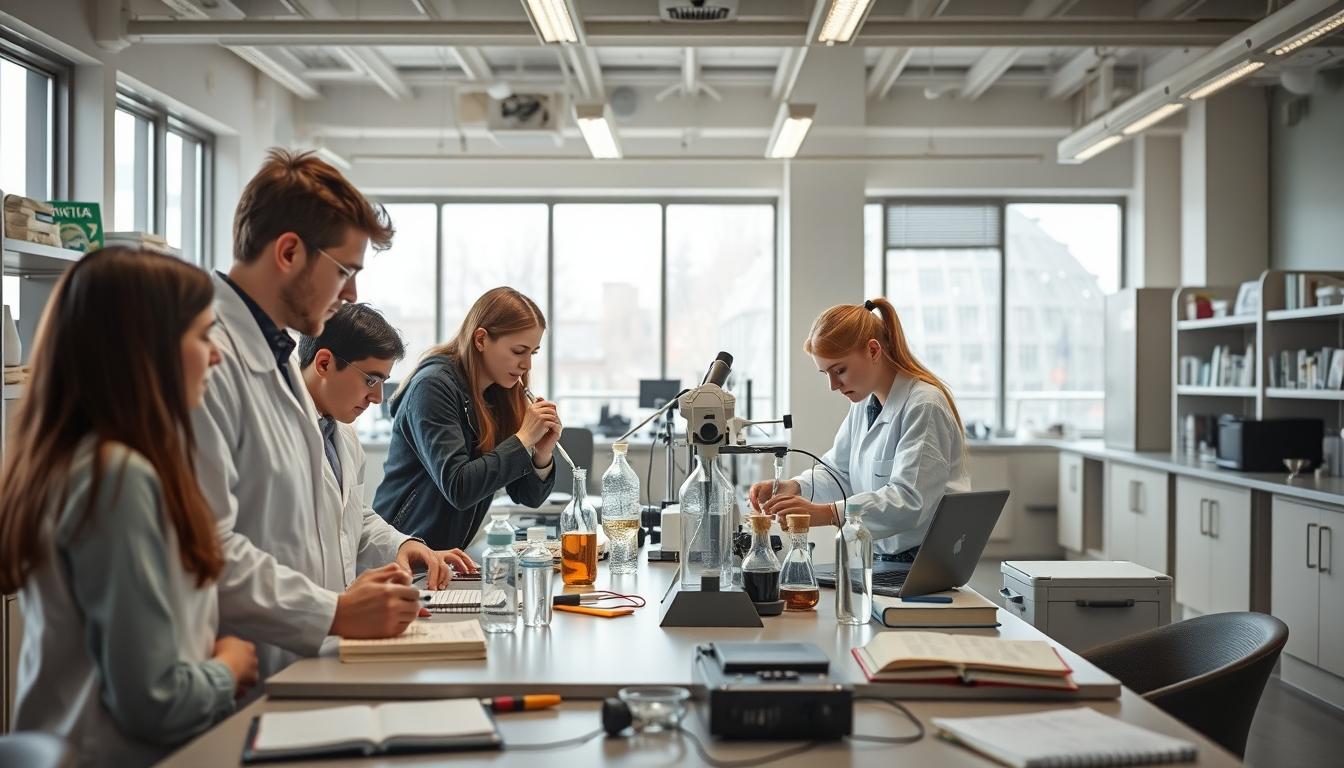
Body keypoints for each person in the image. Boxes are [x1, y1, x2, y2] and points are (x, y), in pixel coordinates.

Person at [0, 248, 258, 767]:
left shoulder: (81, 460)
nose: (216, 356)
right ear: (146, 350)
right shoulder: (115, 478)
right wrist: (229, 668)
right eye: (202, 336)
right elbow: (153, 701)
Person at [192, 149, 421, 681]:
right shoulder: (204, 358)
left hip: (292, 665)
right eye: (344, 271)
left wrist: (345, 601)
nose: (352, 294)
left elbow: (309, 528)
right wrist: (333, 611)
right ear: (290, 252)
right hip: (226, 672)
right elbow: (205, 548)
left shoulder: (276, 364)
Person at [750, 298, 970, 560]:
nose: (833, 385)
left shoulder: (924, 405)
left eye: (839, 370)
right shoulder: (865, 404)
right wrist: (795, 487)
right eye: (826, 374)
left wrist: (827, 514)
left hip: (925, 560)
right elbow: (838, 472)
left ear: (873, 350)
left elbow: (909, 500)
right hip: (883, 556)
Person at [298, 302, 479, 588]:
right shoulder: (276, 429)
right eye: (371, 380)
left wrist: (403, 545)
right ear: (324, 364)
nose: (378, 398)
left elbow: (351, 520)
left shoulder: (342, 435)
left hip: (332, 608)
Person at [373, 287, 561, 550]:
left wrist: (541, 454)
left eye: (533, 353)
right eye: (519, 351)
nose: (527, 364)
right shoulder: (432, 387)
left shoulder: (499, 393)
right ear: (481, 339)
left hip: (442, 557)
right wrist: (523, 438)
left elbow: (528, 496)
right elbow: (459, 487)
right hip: (399, 552)